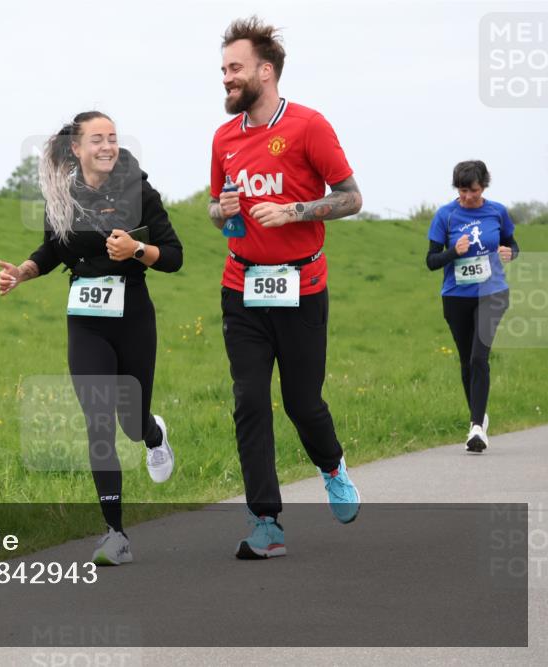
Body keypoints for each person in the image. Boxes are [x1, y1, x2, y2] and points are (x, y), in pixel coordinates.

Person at [0, 111, 183, 565]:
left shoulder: (139, 189)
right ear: (76, 149)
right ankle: (115, 535)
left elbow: (174, 257)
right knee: (98, 422)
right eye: (97, 139)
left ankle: (153, 432)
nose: (107, 145)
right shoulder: (63, 195)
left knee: (129, 424)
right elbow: (53, 247)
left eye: (113, 138)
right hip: (86, 321)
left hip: (134, 316)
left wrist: (136, 250)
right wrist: (24, 272)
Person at [208, 17, 363, 559]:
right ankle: (266, 521)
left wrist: (295, 209)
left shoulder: (308, 126)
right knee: (250, 400)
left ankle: (332, 466)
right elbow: (217, 211)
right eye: (223, 69)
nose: (226, 77)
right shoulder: (224, 138)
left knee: (301, 402)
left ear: (265, 71)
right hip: (242, 288)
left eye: (235, 68)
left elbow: (350, 197)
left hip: (302, 287)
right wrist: (221, 211)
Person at [426, 160, 517, 453]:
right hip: (456, 297)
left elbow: (513, 244)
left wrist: (509, 252)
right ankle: (478, 417)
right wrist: (454, 251)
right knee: (467, 361)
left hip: (493, 293)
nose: (467, 196)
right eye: (462, 190)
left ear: (484, 186)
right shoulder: (446, 216)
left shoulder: (497, 212)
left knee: (480, 357)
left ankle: (477, 427)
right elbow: (431, 261)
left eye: (473, 190)